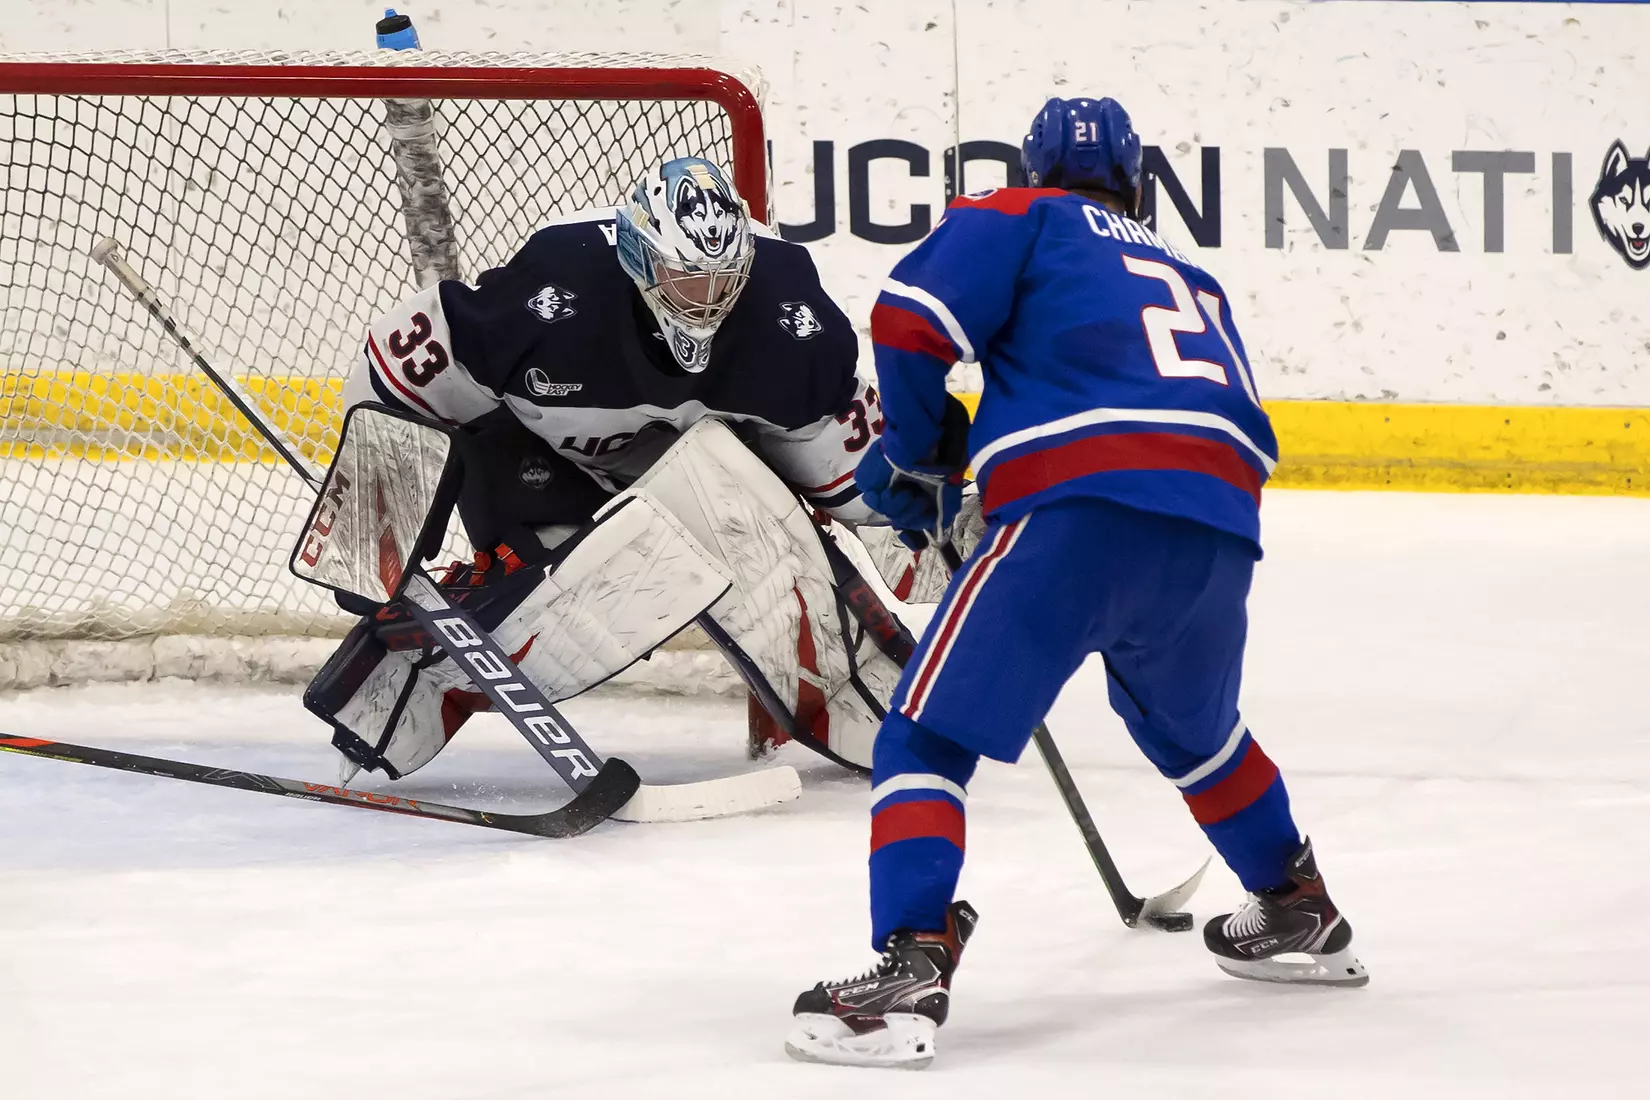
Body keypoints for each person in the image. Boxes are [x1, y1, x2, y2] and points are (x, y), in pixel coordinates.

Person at [785, 98, 1366, 1071]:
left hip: (1076, 515)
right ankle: (1297, 902)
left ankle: (910, 966)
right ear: (1136, 185)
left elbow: (911, 319)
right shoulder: (1192, 274)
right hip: (1218, 526)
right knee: (1194, 731)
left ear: (1034, 170)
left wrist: (925, 456)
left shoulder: (1021, 215)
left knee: (925, 733)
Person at [306, 156, 910, 782]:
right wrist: (375, 519)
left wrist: (922, 525)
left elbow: (852, 466)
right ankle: (399, 691)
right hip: (534, 455)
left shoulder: (791, 320)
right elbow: (396, 374)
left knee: (745, 516)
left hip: (693, 485)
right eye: (687, 279)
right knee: (547, 587)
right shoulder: (551, 293)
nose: (707, 302)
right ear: (642, 260)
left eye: (723, 281)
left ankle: (861, 694)